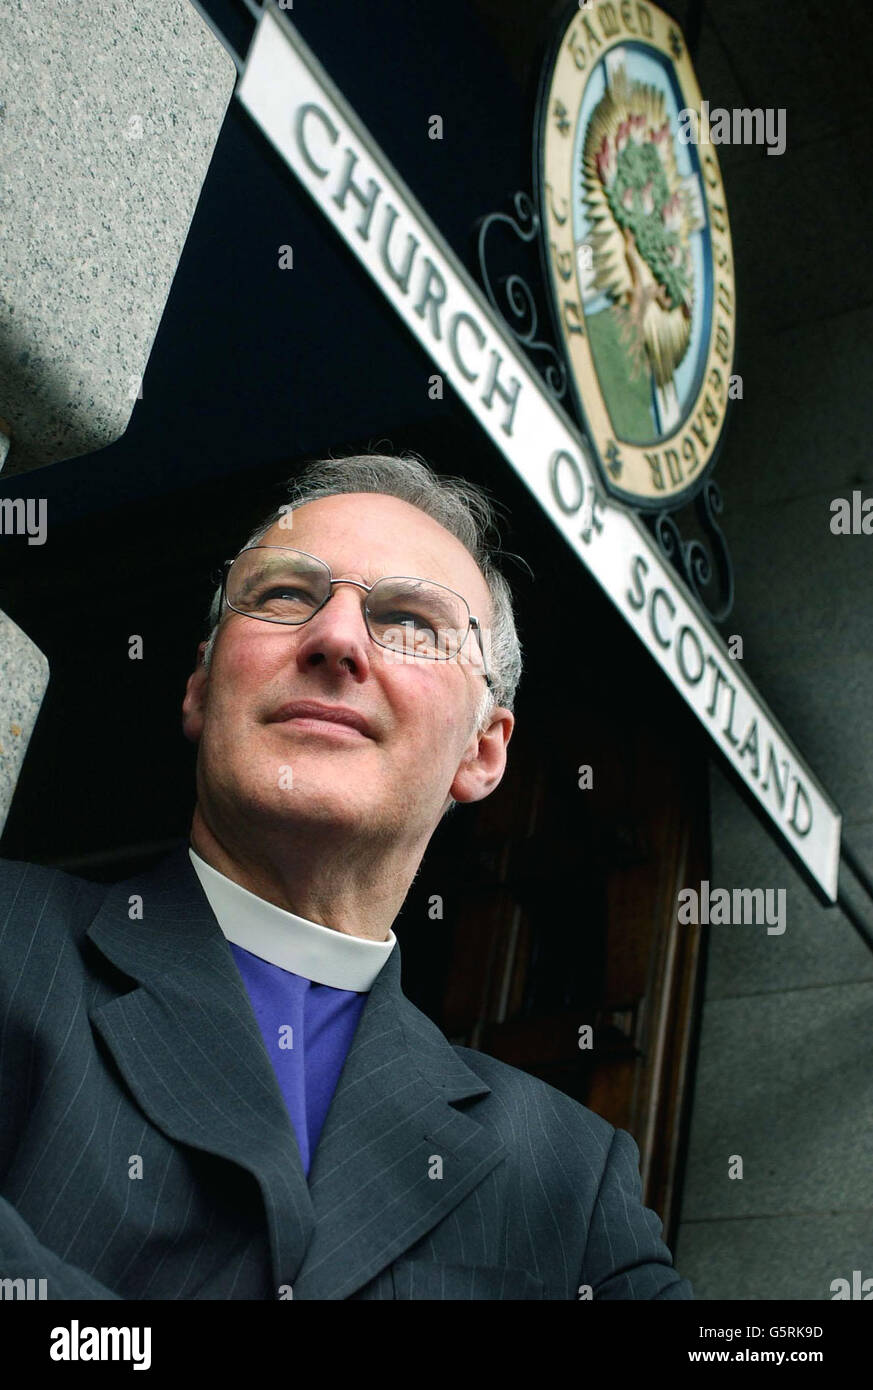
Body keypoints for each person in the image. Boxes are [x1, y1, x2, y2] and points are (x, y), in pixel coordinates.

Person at [0, 451, 692, 1300]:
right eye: (287, 595)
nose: (334, 638)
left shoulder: (571, 1177)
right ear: (200, 686)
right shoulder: (11, 937)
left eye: (408, 620)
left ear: (481, 752)